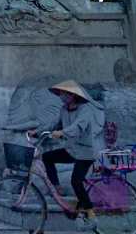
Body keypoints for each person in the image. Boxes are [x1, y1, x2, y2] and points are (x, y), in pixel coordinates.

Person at [31, 79, 105, 222]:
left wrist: (63, 132)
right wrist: (37, 131)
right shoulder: (64, 110)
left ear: (72, 95)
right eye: (60, 93)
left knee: (76, 181)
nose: (61, 96)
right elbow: (53, 124)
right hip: (71, 150)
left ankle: (90, 213)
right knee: (47, 157)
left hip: (85, 153)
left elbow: (78, 127)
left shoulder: (85, 109)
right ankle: (57, 187)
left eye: (64, 93)